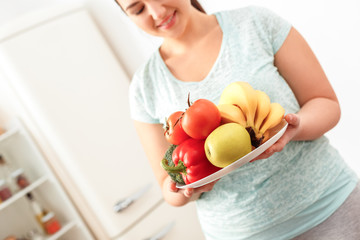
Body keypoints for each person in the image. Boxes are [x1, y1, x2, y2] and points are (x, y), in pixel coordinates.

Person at [114, 0, 360, 239]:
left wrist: (295, 128)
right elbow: (168, 186)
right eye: (138, 9)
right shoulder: (144, 87)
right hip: (238, 233)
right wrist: (188, 189)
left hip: (332, 206)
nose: (157, 12)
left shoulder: (255, 23)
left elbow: (325, 103)